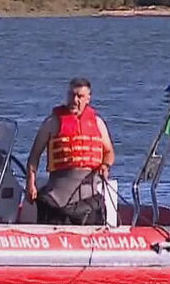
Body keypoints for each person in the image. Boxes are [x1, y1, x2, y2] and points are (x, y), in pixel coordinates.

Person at [25, 78, 115, 225]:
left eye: (80, 96)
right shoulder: (52, 123)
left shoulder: (98, 123)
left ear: (88, 98)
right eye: (71, 95)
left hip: (88, 198)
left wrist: (105, 166)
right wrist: (30, 183)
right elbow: (34, 156)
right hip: (57, 197)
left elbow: (109, 152)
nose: (74, 100)